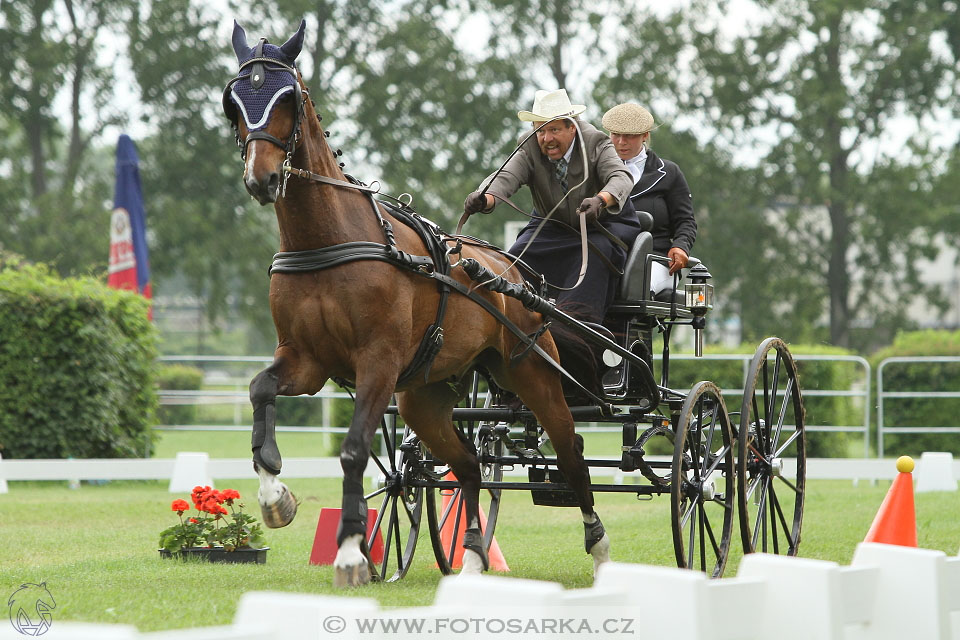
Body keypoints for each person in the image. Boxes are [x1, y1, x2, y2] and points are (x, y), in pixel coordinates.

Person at [463, 89, 643, 324]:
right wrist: (484, 197)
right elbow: (506, 176)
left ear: (572, 126)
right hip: (551, 225)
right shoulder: (528, 145)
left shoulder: (596, 140)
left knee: (595, 258)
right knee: (516, 257)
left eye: (554, 129)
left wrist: (601, 200)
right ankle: (514, 325)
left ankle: (577, 329)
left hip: (601, 226)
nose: (546, 138)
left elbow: (621, 177)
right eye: (540, 130)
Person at [601, 103, 696, 296]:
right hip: (606, 255)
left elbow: (686, 222)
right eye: (615, 135)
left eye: (629, 136)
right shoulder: (597, 172)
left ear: (645, 135)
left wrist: (680, 246)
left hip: (655, 259)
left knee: (633, 288)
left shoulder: (669, 173)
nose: (621, 142)